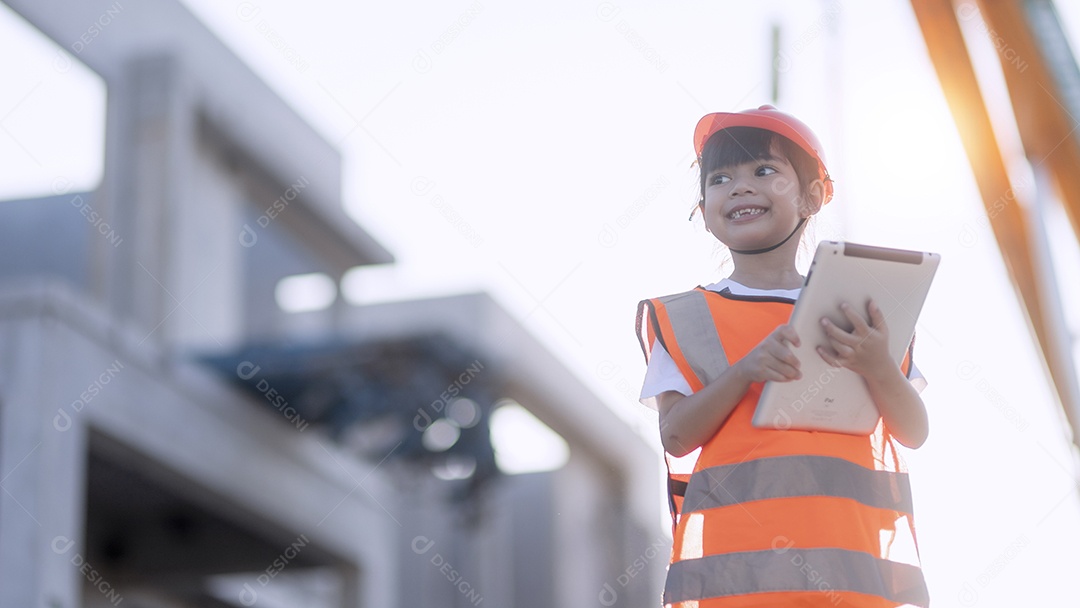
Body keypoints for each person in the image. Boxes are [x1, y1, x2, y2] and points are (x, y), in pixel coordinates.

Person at [635, 105, 930, 607]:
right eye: (721, 178)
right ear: (703, 212)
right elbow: (676, 435)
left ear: (812, 195)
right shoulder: (683, 316)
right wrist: (744, 372)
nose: (740, 187)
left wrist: (878, 364)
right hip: (740, 582)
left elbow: (913, 432)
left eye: (764, 170)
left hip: (851, 572)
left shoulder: (860, 308)